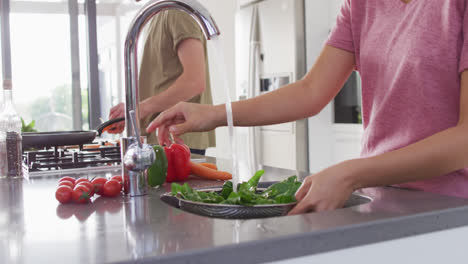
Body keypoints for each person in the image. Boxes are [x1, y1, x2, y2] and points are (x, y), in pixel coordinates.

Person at [146, 0, 468, 215]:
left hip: (451, 210)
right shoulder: (360, 5)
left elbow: (464, 141)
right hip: (380, 201)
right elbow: (311, 91)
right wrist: (214, 114)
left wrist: (351, 174)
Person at [108, 9, 215, 155]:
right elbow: (159, 81)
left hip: (177, 139)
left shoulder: (177, 12)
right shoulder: (156, 15)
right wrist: (132, 112)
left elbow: (194, 82)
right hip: (159, 139)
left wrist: (140, 109)